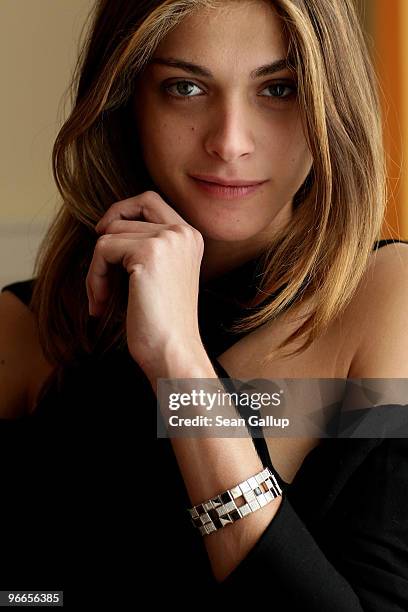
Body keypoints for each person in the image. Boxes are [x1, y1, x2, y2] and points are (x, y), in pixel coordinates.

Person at [0, 0, 407, 609]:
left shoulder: (383, 300)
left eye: (279, 88)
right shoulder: (29, 328)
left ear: (330, 102)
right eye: (185, 87)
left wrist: (182, 368)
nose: (230, 142)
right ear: (126, 101)